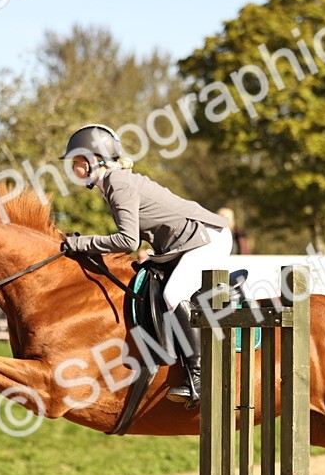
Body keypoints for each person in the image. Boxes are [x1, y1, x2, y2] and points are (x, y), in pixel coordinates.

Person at [59, 124, 229, 405]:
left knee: (173, 294)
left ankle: (200, 377)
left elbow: (128, 241)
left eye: (77, 162)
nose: (73, 170)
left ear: (94, 160)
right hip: (184, 242)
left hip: (207, 238)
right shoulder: (112, 183)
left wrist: (81, 243)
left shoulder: (118, 183)